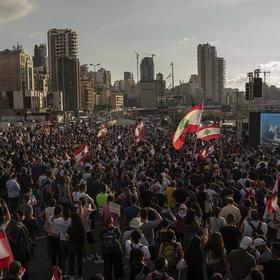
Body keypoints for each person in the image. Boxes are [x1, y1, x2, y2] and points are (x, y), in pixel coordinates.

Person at [67, 213, 85, 280]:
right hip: (80, 245)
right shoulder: (82, 228)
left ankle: (71, 275)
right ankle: (80, 276)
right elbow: (83, 237)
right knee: (79, 261)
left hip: (72, 245)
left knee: (71, 260)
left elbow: (67, 237)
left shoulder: (70, 228)